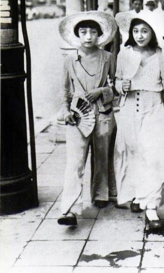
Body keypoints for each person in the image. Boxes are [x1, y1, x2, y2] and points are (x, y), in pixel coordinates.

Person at [114, 11, 164, 229]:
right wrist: (121, 86)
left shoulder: (162, 56)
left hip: (154, 108)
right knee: (133, 155)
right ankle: (138, 197)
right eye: (136, 31)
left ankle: (151, 207)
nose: (140, 35)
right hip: (129, 109)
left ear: (153, 33)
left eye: (144, 31)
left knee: (155, 157)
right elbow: (117, 80)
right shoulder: (124, 53)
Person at [57, 11, 117, 226]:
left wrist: (102, 91)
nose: (88, 36)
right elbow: (64, 90)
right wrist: (65, 111)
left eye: (93, 32)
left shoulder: (108, 57)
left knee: (102, 155)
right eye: (83, 32)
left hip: (102, 112)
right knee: (75, 162)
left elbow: (117, 87)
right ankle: (69, 209)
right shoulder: (69, 60)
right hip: (77, 115)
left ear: (100, 35)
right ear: (77, 35)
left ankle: (101, 194)